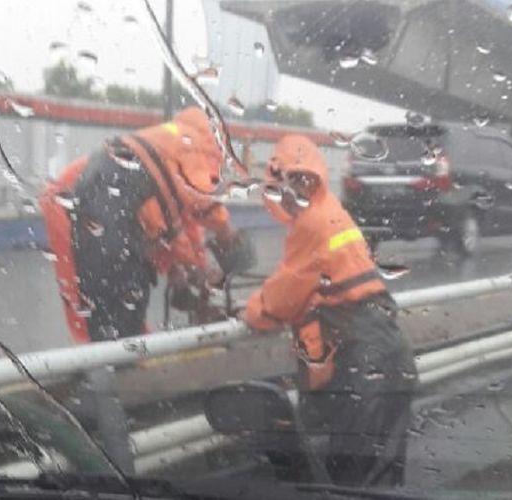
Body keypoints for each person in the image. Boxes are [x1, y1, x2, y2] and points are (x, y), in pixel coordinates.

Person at [243, 135, 417, 486]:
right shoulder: (333, 212)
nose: (289, 194)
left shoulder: (311, 224)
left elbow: (281, 299)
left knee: (350, 479)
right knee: (382, 479)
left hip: (363, 367)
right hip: (393, 356)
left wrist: (249, 312)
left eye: (295, 182)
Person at [40, 106, 238, 343]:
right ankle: (113, 363)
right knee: (111, 291)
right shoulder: (199, 142)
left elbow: (171, 226)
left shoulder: (166, 156)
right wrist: (227, 236)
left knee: (111, 293)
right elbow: (202, 199)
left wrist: (186, 268)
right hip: (74, 201)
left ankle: (116, 354)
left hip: (94, 200)